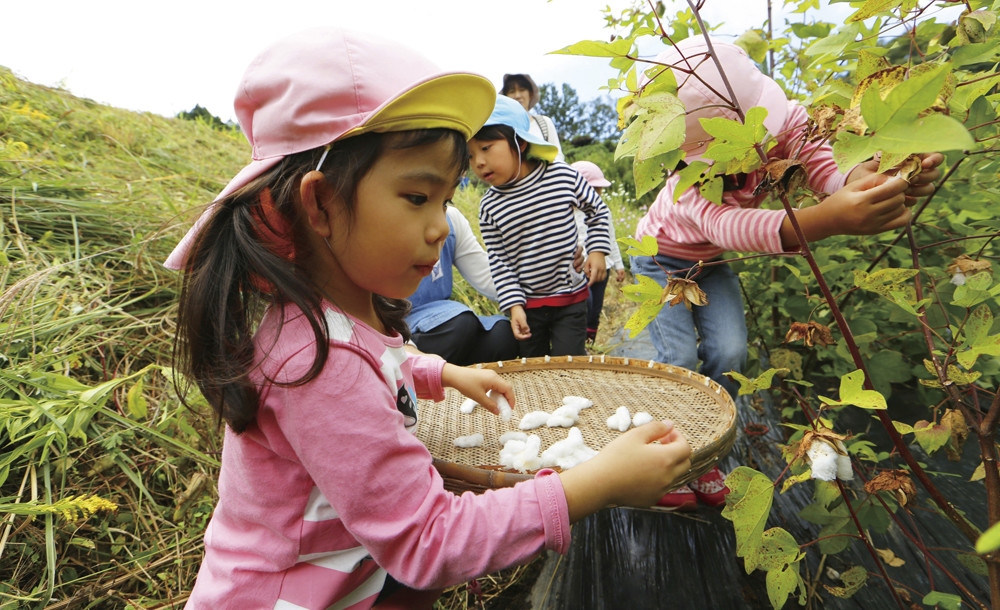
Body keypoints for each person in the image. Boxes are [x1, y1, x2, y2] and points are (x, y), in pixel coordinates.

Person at [165, 28, 693, 609]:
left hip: (347, 571)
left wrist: (440, 374)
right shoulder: (316, 362)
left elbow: (380, 361)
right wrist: (594, 483)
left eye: (446, 200)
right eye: (418, 198)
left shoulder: (332, 317)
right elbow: (428, 542)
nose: (442, 225)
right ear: (319, 204)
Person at [631, 37, 943, 510]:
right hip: (661, 261)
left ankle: (703, 448)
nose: (761, 147)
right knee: (676, 356)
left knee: (731, 350)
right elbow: (727, 226)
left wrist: (860, 180)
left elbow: (819, 161)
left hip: (711, 264)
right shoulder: (685, 178)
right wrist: (828, 219)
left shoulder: (780, 123)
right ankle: (663, 454)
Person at [471, 95, 613, 358]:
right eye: (470, 155)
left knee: (569, 365)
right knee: (534, 369)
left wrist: (597, 251)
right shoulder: (490, 206)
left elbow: (597, 210)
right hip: (528, 306)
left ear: (520, 142)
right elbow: (499, 261)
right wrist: (514, 306)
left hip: (571, 297)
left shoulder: (562, 176)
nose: (478, 162)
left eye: (486, 148)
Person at [406, 205, 518, 365]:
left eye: (445, 202)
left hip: (439, 318)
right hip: (396, 327)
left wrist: (531, 293)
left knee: (503, 335)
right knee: (459, 324)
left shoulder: (451, 219)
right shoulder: (381, 226)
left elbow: (485, 274)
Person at [570, 160, 627, 345]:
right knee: (584, 305)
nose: (597, 194)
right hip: (580, 269)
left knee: (595, 309)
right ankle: (578, 344)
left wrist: (619, 264)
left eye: (599, 190)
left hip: (604, 267)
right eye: (593, 189)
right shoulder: (566, 213)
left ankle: (589, 343)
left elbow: (611, 239)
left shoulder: (603, 211)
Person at [501, 73, 565, 162]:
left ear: (530, 94)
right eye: (512, 91)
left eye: (522, 90)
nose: (517, 95)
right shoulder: (502, 128)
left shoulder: (544, 123)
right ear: (505, 97)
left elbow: (558, 156)